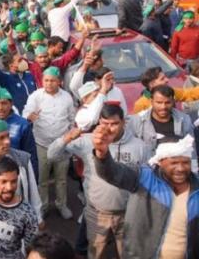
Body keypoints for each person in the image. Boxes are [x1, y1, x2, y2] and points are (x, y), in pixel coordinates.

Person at [48, 104, 147, 258]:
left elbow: (148, 181)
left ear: (124, 122)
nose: (108, 128)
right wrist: (68, 137)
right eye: (104, 123)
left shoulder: (139, 147)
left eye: (114, 124)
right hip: (96, 213)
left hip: (128, 214)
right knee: (95, 253)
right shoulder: (88, 142)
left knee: (129, 254)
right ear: (99, 122)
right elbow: (52, 155)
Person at [93, 131, 199, 258]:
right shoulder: (143, 177)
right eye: (174, 163)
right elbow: (113, 173)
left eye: (185, 162)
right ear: (160, 162)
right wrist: (102, 155)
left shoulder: (196, 189)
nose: (181, 168)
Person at [22, 66, 75, 219]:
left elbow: (71, 118)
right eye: (46, 80)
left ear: (59, 81)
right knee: (42, 179)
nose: (49, 83)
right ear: (42, 81)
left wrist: (70, 138)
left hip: (62, 144)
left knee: (61, 179)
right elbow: (27, 111)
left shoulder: (67, 97)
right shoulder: (36, 96)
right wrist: (29, 116)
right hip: (41, 143)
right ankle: (43, 206)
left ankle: (61, 204)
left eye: (52, 81)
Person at [127, 85, 197, 170]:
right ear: (151, 101)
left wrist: (194, 174)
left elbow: (191, 150)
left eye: (167, 102)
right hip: (147, 171)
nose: (163, 107)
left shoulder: (184, 120)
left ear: (173, 101)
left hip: (175, 171)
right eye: (159, 102)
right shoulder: (136, 121)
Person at [133, 66, 199, 113]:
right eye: (162, 79)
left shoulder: (171, 91)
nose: (167, 80)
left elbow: (188, 94)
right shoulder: (141, 104)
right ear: (151, 84)